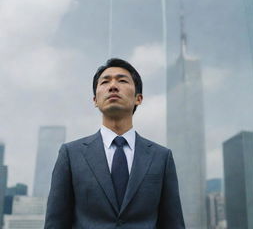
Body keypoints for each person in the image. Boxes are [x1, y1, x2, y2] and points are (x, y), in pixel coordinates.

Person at [44, 58, 185, 229]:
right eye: (105, 82)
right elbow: (56, 223)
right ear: (95, 100)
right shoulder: (71, 154)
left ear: (138, 98)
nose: (112, 86)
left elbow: (173, 223)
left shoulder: (161, 157)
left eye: (122, 80)